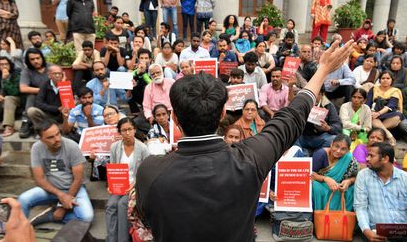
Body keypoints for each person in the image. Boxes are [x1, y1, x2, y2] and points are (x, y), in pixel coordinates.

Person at [134, 39, 355, 241]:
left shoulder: (150, 171)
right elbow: (292, 116)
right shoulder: (249, 158)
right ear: (223, 113)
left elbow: (147, 219)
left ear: (173, 116)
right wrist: (323, 70)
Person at [18, 119, 94, 226]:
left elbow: (78, 179)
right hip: (51, 189)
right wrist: (60, 195)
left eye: (58, 134)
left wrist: (62, 207)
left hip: (74, 189)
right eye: (50, 137)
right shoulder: (37, 148)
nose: (57, 139)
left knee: (87, 218)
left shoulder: (72, 146)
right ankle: (21, 230)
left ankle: (50, 216)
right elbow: (39, 179)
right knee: (23, 199)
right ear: (41, 139)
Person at [354, 142, 407, 242]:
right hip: (374, 233)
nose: (367, 159)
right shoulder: (363, 176)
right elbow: (360, 207)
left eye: (371, 156)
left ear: (385, 159)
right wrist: (366, 231)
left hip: (402, 233)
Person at [107, 117, 149, 242]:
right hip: (120, 184)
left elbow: (145, 173)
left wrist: (134, 184)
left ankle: (122, 239)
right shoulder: (114, 147)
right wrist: (111, 184)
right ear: (119, 132)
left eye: (130, 129)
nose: (127, 133)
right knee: (110, 204)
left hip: (136, 185)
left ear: (135, 130)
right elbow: (113, 168)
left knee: (122, 204)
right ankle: (111, 239)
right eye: (124, 130)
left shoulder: (142, 148)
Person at [311, 134, 358, 211]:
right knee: (316, 187)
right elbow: (311, 175)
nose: (338, 151)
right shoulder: (321, 154)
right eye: (336, 146)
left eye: (343, 149)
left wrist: (349, 181)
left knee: (353, 190)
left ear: (348, 150)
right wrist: (326, 179)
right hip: (322, 185)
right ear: (331, 144)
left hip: (340, 188)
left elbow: (357, 177)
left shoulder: (349, 158)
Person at [366, 70, 403, 146]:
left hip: (388, 115)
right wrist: (371, 112)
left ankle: (377, 130)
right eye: (383, 78)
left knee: (397, 116)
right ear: (379, 80)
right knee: (371, 117)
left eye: (388, 78)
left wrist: (378, 113)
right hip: (374, 114)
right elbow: (368, 104)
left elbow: (390, 106)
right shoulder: (374, 89)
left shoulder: (395, 91)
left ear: (392, 80)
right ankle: (389, 135)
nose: (385, 80)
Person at [27, 65, 68, 130]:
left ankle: (62, 128)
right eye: (55, 74)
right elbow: (38, 103)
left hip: (63, 116)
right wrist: (56, 108)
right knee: (31, 111)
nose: (57, 75)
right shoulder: (44, 85)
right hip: (48, 115)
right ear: (49, 75)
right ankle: (41, 131)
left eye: (59, 73)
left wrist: (63, 86)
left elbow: (68, 103)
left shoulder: (66, 85)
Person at [19, 48, 49, 138]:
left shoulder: (51, 67)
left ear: (42, 58)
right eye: (32, 59)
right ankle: (26, 121)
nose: (36, 61)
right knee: (31, 96)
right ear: (28, 61)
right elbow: (23, 88)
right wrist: (42, 90)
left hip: (52, 97)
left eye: (38, 58)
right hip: (37, 98)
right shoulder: (27, 71)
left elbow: (62, 83)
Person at [0, 56, 21, 137]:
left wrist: (5, 80)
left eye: (6, 64)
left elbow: (14, 92)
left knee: (8, 98)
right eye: (1, 64)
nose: (4, 66)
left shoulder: (16, 73)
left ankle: (8, 126)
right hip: (1, 100)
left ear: (10, 65)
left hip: (16, 99)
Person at [128, 48, 153, 115]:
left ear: (150, 60)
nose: (144, 60)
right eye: (141, 58)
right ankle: (137, 114)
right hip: (138, 95)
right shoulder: (135, 71)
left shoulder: (154, 69)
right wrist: (137, 73)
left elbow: (151, 84)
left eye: (146, 58)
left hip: (151, 95)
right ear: (138, 59)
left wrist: (143, 73)